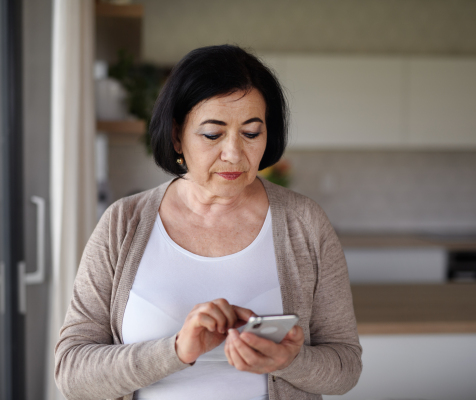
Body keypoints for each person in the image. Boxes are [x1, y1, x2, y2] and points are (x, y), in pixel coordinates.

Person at [55, 45, 362, 400]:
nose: (233, 153)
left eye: (251, 133)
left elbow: (345, 369)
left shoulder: (305, 223)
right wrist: (176, 351)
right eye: (213, 135)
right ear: (176, 136)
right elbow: (72, 373)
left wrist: (288, 361)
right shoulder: (123, 224)